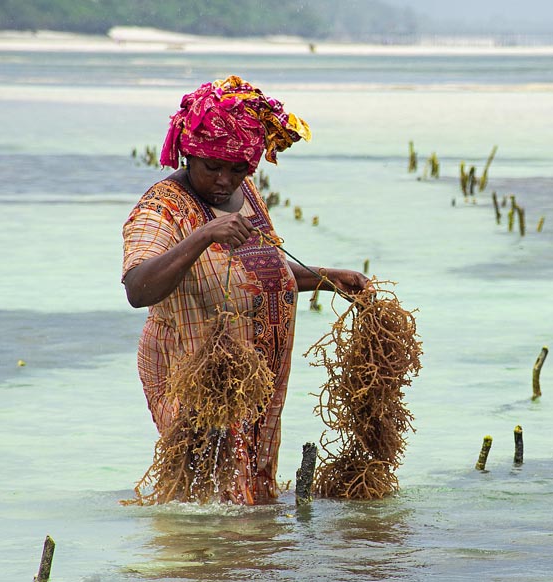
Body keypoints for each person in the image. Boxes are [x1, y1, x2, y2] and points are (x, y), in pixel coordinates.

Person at [121, 75, 370, 504]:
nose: (224, 180)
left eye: (237, 169)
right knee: (208, 493)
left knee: (250, 497)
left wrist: (328, 278)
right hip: (197, 373)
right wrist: (203, 235)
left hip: (256, 377)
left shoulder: (247, 196)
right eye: (212, 167)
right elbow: (138, 288)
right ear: (188, 153)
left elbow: (258, 271)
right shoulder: (160, 207)